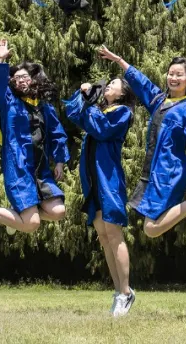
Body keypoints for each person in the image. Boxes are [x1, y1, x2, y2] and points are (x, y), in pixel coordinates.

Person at [98, 46, 186, 239]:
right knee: (150, 228)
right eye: (171, 73)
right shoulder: (160, 101)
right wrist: (119, 60)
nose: (173, 78)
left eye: (179, 75)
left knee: (151, 229)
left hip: (170, 170)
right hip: (154, 169)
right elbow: (143, 83)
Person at [0, 38, 70, 234]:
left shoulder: (44, 106)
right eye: (16, 78)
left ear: (33, 79)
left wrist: (59, 161)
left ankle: (15, 216)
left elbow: (57, 133)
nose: (21, 80)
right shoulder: (8, 101)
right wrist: (0, 59)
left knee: (58, 211)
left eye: (24, 76)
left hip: (41, 169)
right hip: (19, 166)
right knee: (31, 225)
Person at [63, 77, 137, 317]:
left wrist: (91, 106)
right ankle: (118, 292)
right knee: (104, 237)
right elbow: (73, 113)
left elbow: (103, 130)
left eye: (114, 83)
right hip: (93, 180)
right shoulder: (99, 111)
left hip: (109, 180)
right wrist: (84, 96)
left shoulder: (122, 113)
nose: (108, 85)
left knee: (114, 234)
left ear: (123, 93)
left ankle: (126, 292)